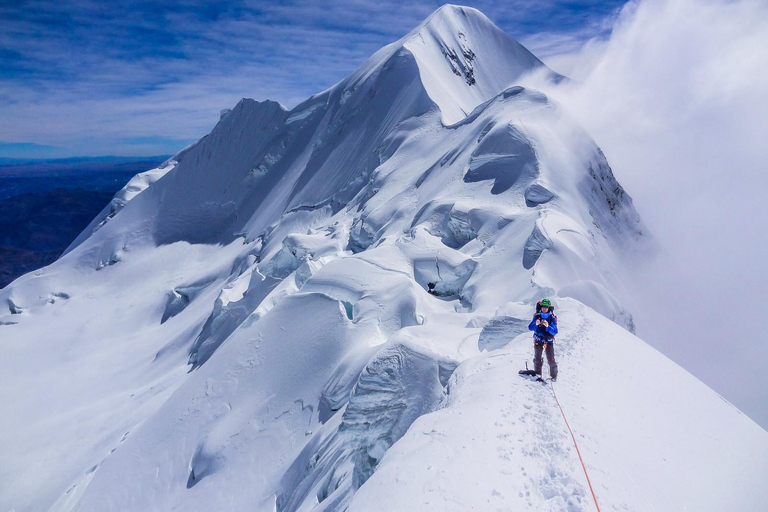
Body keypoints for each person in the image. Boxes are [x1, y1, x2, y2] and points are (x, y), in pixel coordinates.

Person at [528, 299, 558, 381]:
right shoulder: (537, 316)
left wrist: (548, 327)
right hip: (538, 340)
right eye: (543, 307)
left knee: (551, 359)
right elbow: (530, 327)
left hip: (548, 341)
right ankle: (538, 375)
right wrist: (535, 324)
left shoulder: (552, 318)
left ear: (548, 308)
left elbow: (555, 331)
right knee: (537, 358)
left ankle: (554, 376)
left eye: (546, 307)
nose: (544, 308)